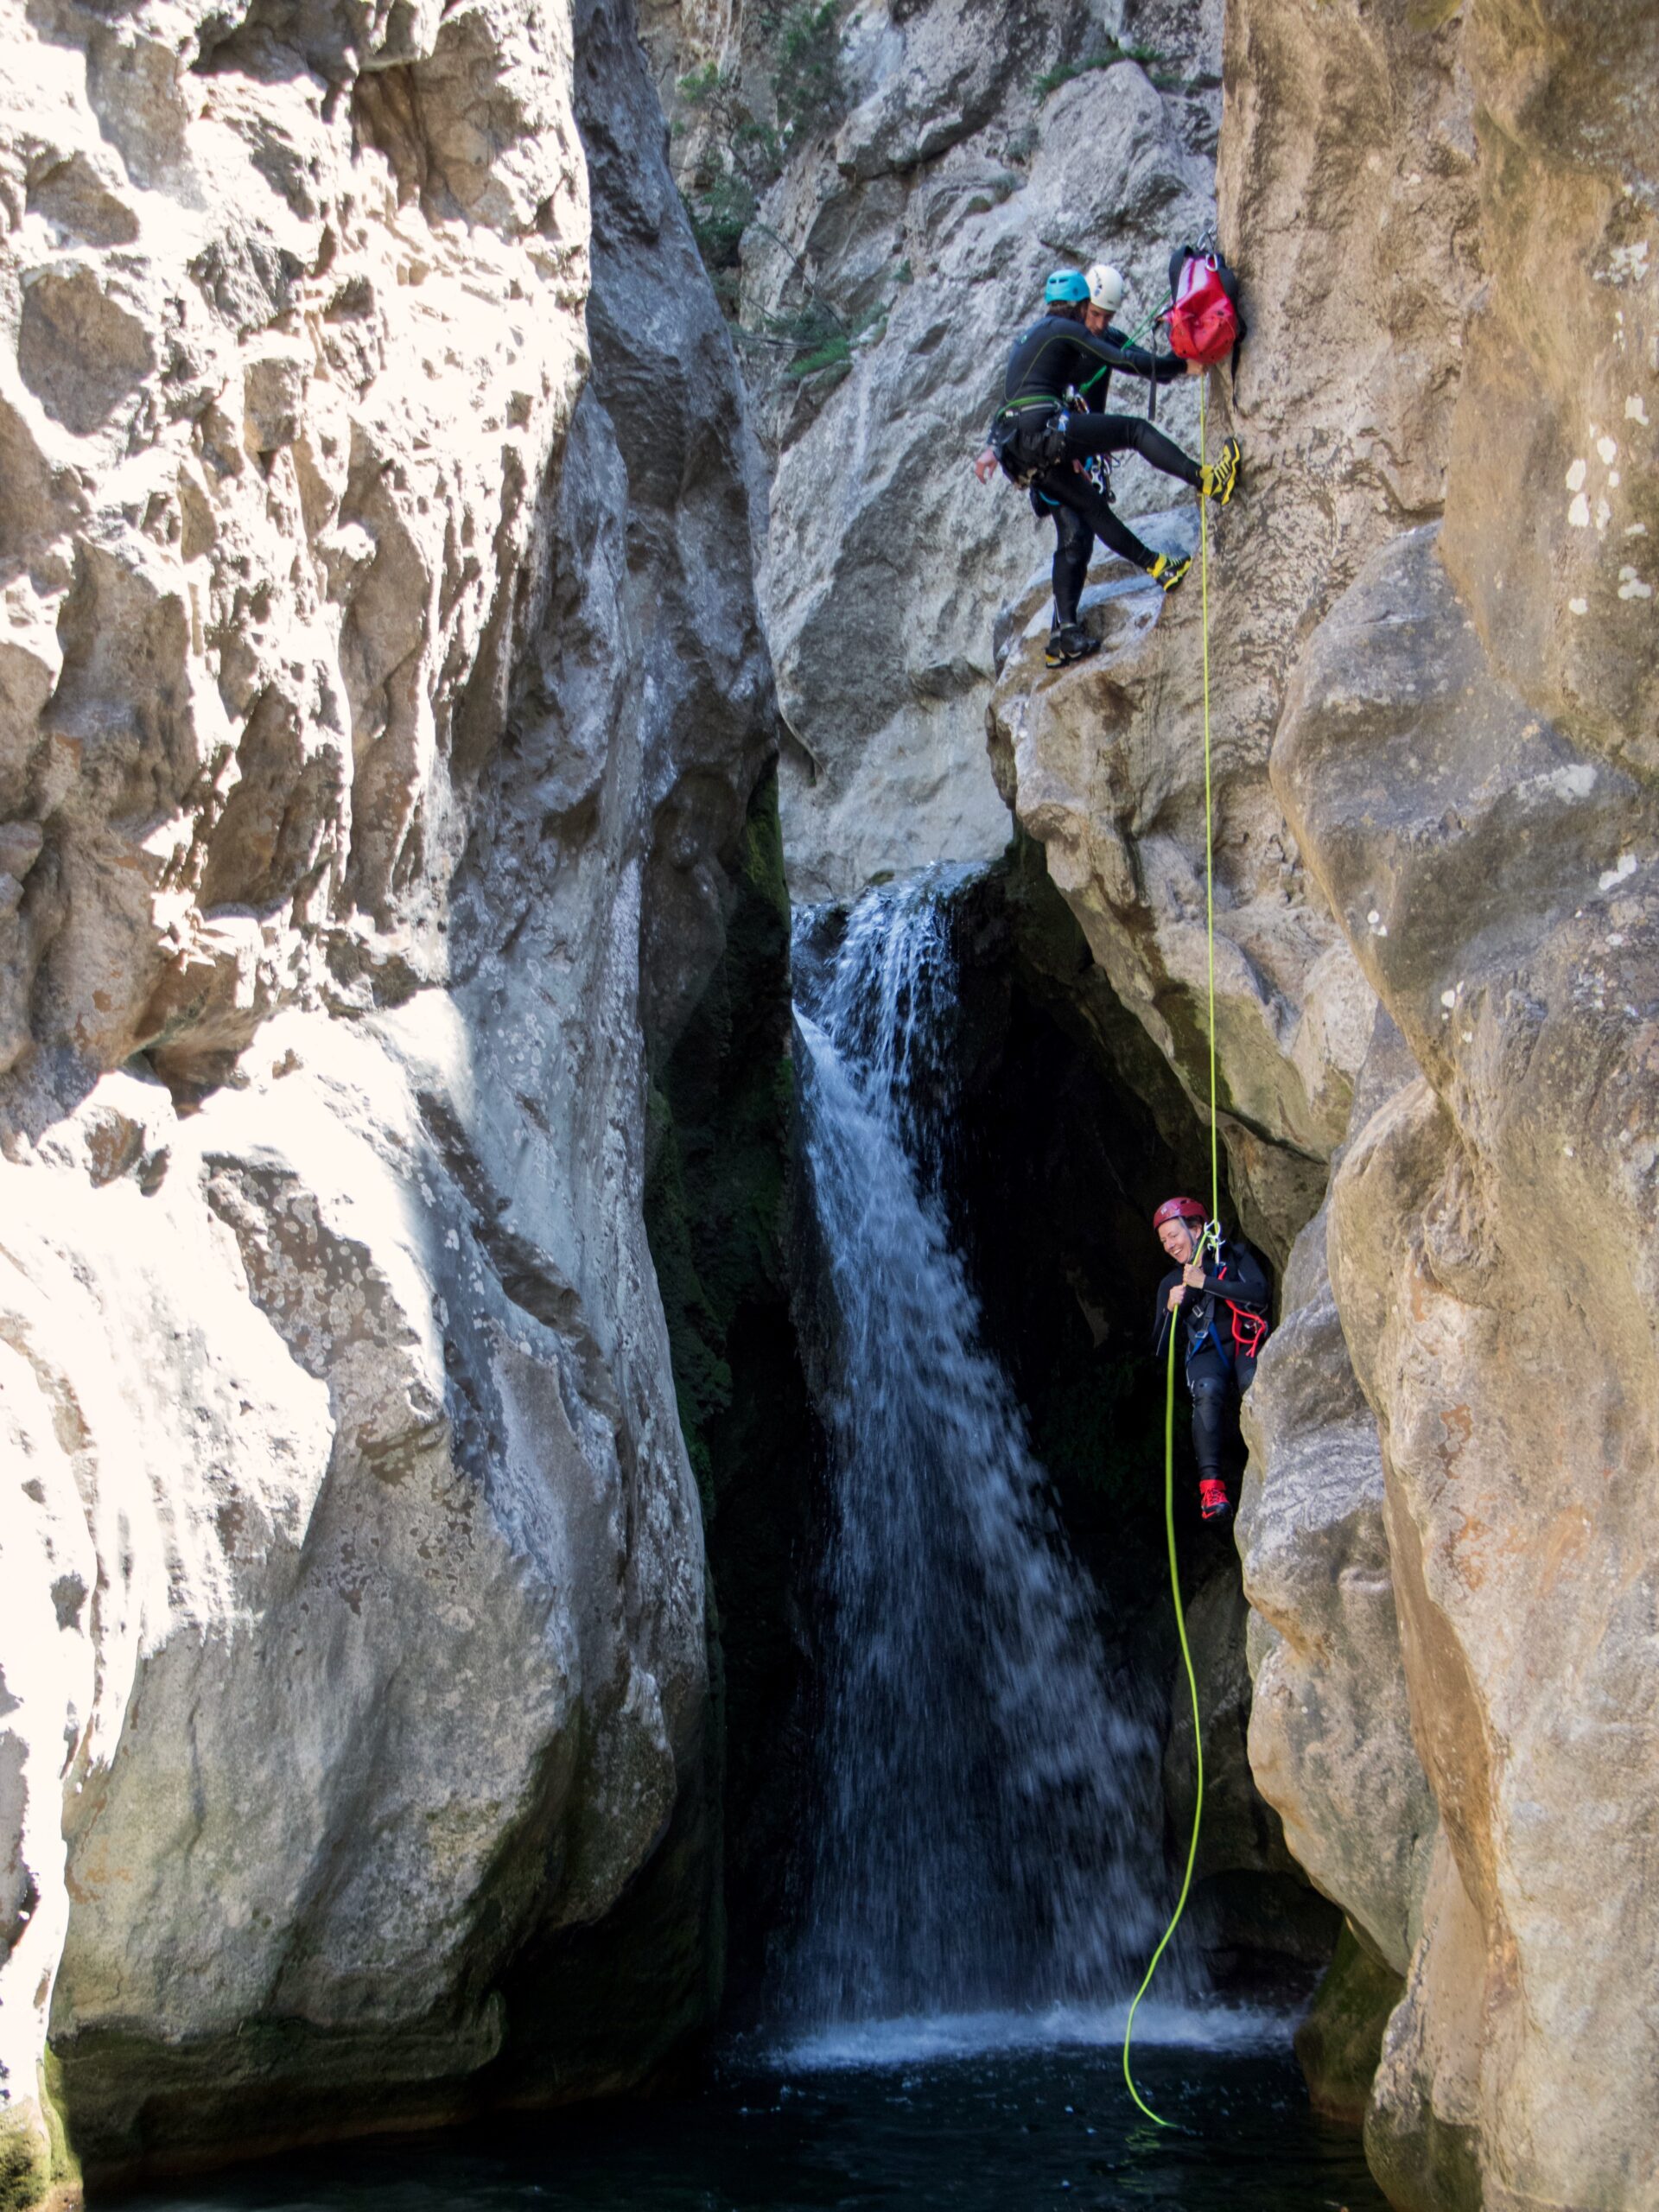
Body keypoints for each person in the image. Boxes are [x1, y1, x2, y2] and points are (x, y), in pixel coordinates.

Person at [973, 267, 1243, 668]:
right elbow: (1126, 361)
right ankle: (1208, 480)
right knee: (1133, 433)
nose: (1097, 323)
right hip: (1051, 435)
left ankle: (1146, 575)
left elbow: (1019, 390)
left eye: (1106, 317)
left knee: (1089, 515)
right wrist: (1184, 367)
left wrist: (994, 449)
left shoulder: (1034, 336)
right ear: (1082, 306)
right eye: (1093, 313)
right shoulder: (1066, 331)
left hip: (1029, 451)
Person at [1149, 1196, 1269, 1523]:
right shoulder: (1171, 1284)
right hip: (1207, 1353)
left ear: (1197, 1228)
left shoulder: (1233, 1256)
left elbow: (1261, 1294)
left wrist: (1207, 1283)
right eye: (1164, 1241)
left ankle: (1275, 1454)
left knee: (1253, 1383)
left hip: (1245, 1339)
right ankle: (1211, 1489)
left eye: (1174, 1235)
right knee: (1206, 1390)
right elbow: (1160, 1347)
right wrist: (1170, 1310)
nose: (1170, 1245)